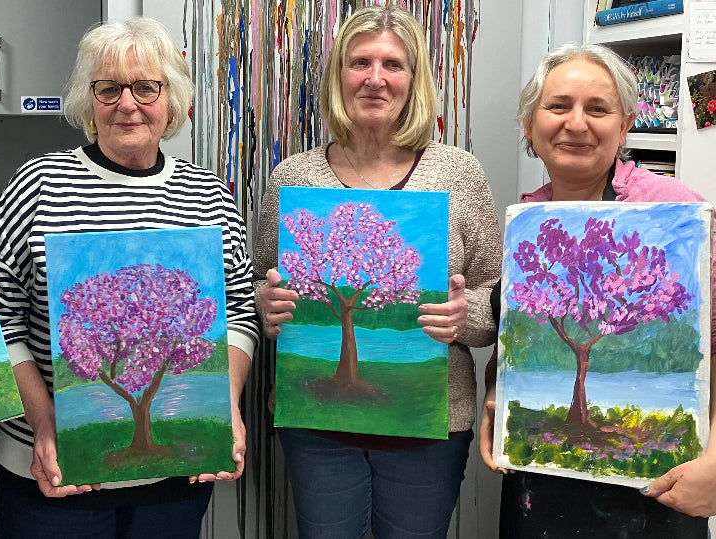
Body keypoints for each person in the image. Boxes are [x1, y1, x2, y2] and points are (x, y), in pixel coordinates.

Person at [0, 17, 259, 539]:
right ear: (90, 101)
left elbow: (240, 313)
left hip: (176, 472)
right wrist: (44, 423)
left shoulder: (210, 197)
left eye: (146, 87)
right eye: (109, 88)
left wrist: (227, 403)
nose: (127, 103)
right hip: (54, 474)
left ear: (170, 100)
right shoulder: (37, 186)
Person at [253, 5, 501, 538]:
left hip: (430, 425)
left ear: (415, 80)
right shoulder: (294, 178)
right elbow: (261, 283)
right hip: (316, 424)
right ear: (338, 75)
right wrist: (266, 305)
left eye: (393, 64)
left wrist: (463, 316)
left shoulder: (457, 173)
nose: (375, 78)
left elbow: (497, 299)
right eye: (359, 62)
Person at [478, 43, 715, 537]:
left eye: (598, 109)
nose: (577, 123)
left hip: (652, 500)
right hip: (539, 489)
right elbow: (517, 335)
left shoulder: (676, 214)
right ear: (529, 124)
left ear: (625, 125)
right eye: (558, 106)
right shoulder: (529, 218)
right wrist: (500, 391)